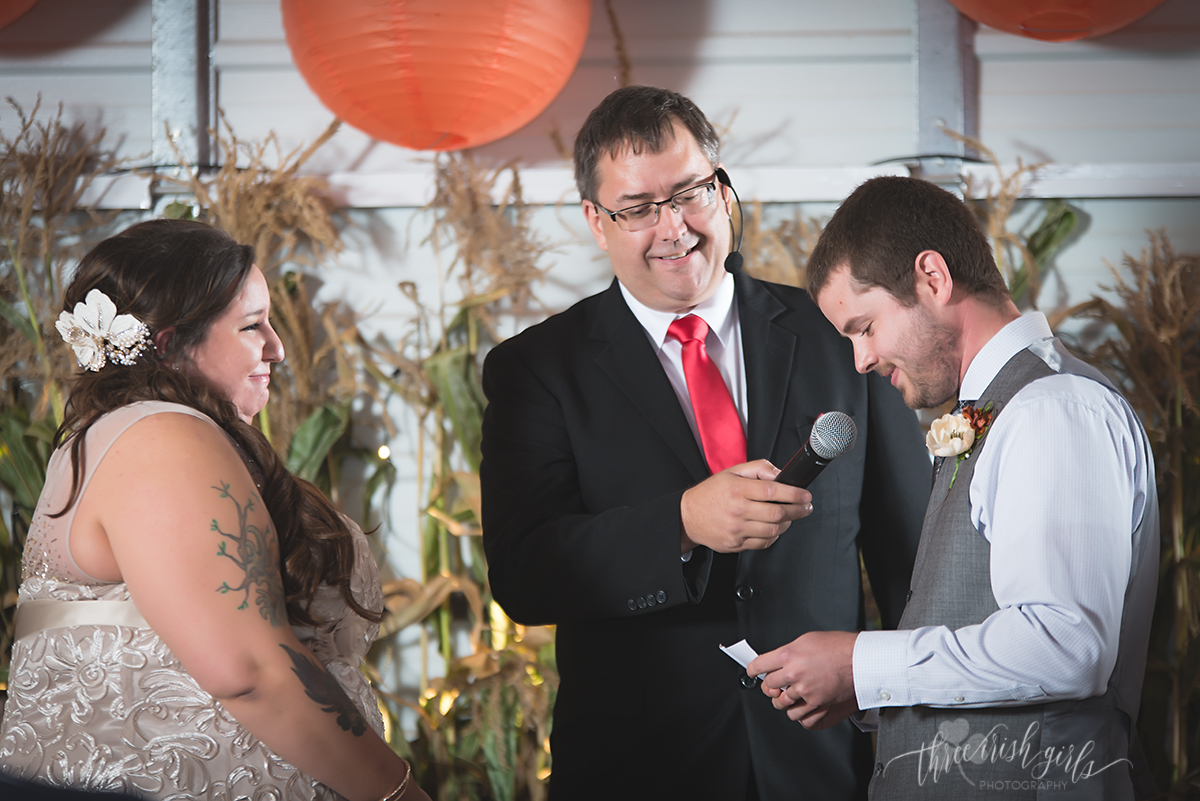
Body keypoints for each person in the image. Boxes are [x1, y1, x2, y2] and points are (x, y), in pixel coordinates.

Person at [479, 86, 930, 800]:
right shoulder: (538, 369)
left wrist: (900, 714)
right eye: (638, 209)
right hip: (638, 766)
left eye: (690, 192)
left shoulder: (841, 335)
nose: (674, 227)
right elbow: (525, 572)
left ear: (722, 189)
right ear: (597, 222)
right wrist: (681, 523)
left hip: (825, 765)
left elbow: (917, 562)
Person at [749, 176, 1158, 799]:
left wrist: (862, 662)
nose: (860, 361)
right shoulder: (997, 410)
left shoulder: (1052, 409)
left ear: (932, 278)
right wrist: (865, 690)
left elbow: (1064, 644)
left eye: (866, 327)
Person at [0, 219, 429, 801]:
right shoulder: (161, 438)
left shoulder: (123, 434)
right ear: (171, 344)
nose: (276, 347)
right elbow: (251, 672)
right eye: (253, 326)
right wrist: (399, 794)